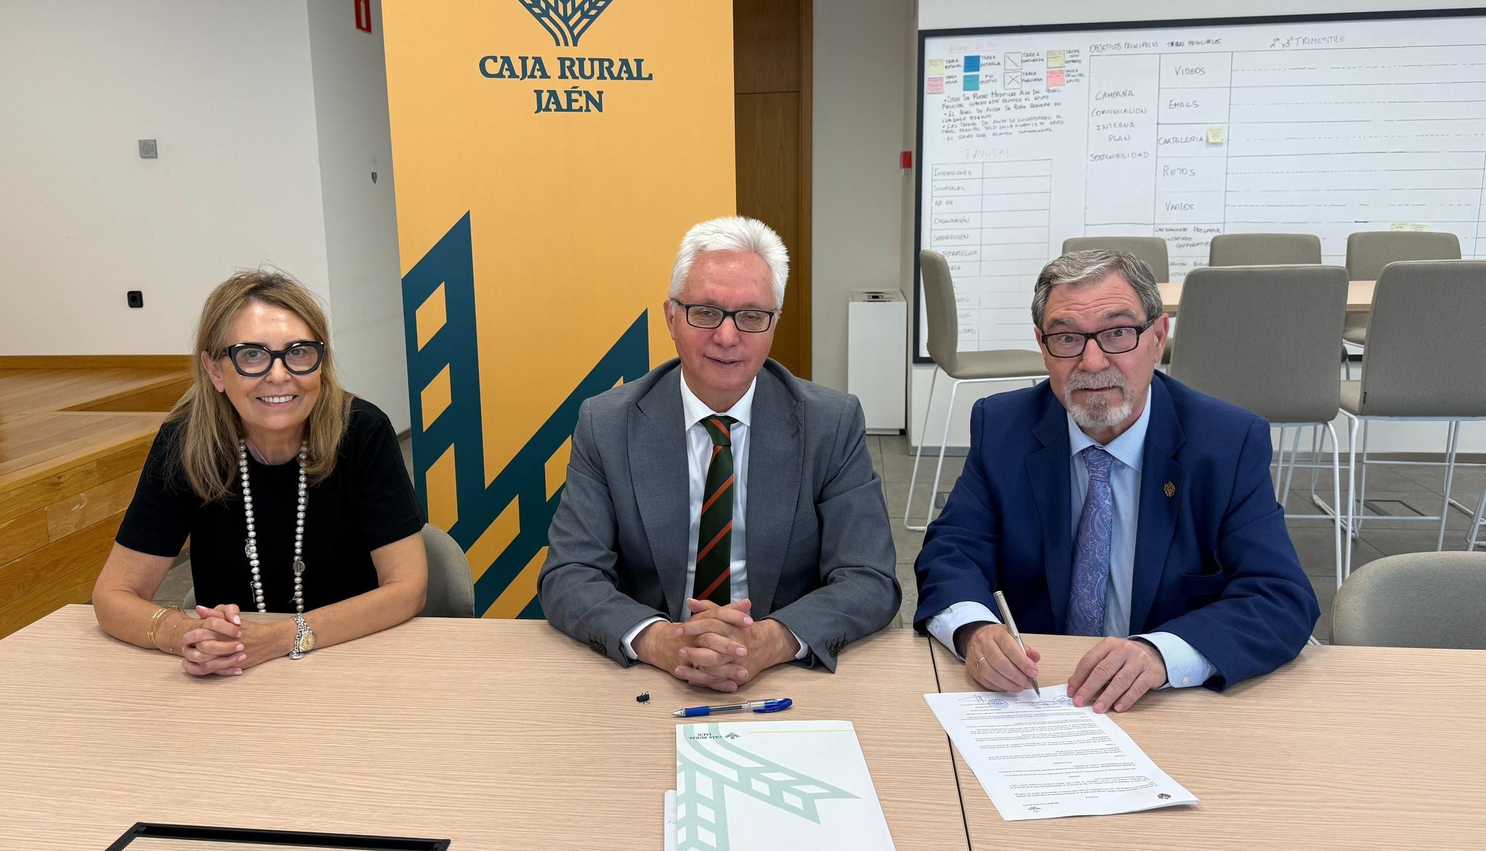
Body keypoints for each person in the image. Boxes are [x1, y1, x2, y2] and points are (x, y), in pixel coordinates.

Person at [915, 248, 1318, 712]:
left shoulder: (1227, 442)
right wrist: (975, 630)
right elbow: (951, 552)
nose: (1091, 362)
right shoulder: (1003, 427)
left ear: (1158, 337)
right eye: (1067, 338)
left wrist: (1162, 654)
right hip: (1033, 696)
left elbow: (1279, 596)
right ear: (1043, 347)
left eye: (1118, 333)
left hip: (1166, 705)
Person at [540, 216, 900, 692]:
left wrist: (770, 642)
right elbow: (569, 574)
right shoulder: (606, 423)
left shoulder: (830, 423)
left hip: (786, 676)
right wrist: (662, 641)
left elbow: (870, 577)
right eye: (706, 312)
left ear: (773, 324)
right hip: (650, 677)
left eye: (751, 316)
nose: (727, 337)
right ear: (671, 317)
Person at [92, 270, 428, 675]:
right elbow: (113, 595)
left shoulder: (362, 431)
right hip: (233, 676)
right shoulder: (185, 442)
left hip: (354, 660)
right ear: (215, 371)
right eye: (252, 355)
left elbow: (408, 589)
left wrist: (279, 638)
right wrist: (188, 635)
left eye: (299, 352)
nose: (279, 375)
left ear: (320, 362)